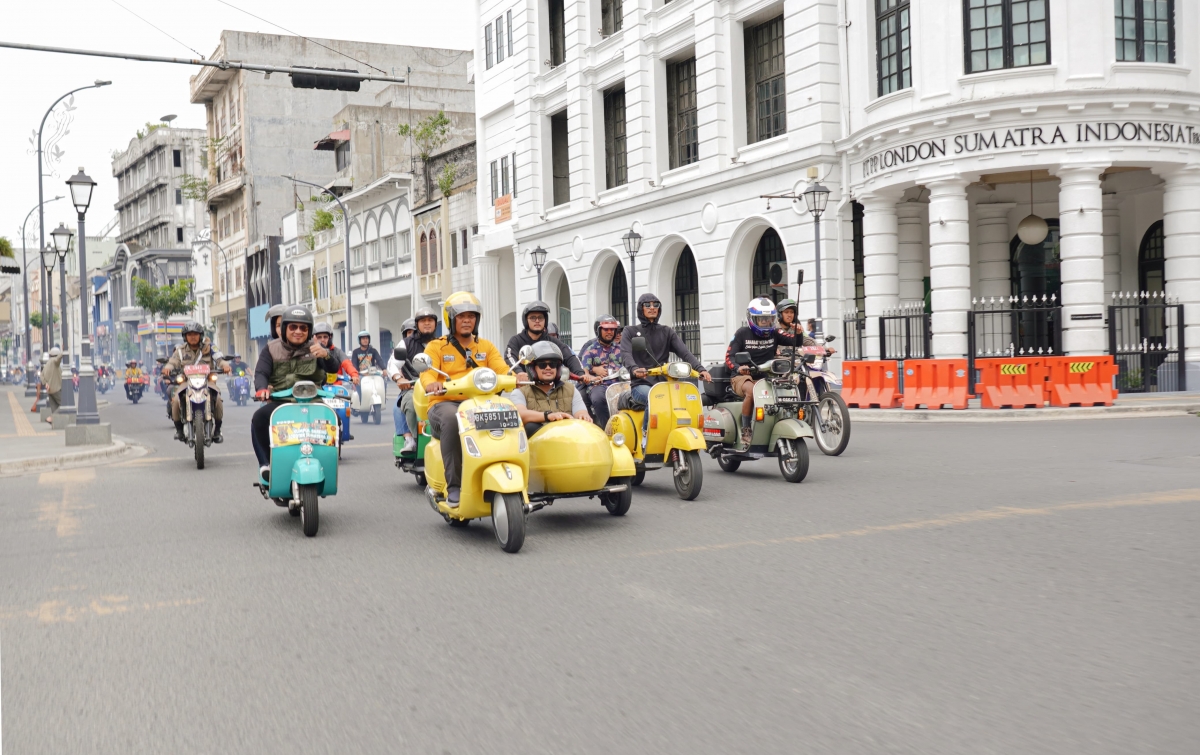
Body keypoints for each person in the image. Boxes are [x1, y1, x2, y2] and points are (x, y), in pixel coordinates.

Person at [420, 292, 509, 506]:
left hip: (480, 403)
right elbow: (427, 371)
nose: (467, 320)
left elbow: (502, 368)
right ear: (451, 319)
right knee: (452, 419)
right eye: (461, 316)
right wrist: (432, 383)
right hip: (445, 404)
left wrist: (516, 376)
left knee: (510, 412)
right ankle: (454, 487)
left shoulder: (486, 347)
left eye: (471, 316)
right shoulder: (436, 347)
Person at [251, 307, 341, 481]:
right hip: (281, 401)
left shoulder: (317, 348)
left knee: (335, 420)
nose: (298, 331)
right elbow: (261, 372)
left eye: (303, 328)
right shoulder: (270, 349)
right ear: (284, 329)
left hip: (312, 401)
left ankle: (327, 461)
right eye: (293, 327)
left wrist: (326, 355)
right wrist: (262, 389)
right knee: (259, 419)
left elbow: (334, 368)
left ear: (308, 331)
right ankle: (266, 464)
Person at [620, 294, 711, 440]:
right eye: (647, 305)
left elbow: (685, 353)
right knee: (655, 398)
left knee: (687, 399)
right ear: (640, 308)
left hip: (666, 383)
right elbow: (625, 354)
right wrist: (634, 369)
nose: (652, 308)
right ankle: (646, 436)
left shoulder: (666, 331)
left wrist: (701, 369)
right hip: (641, 384)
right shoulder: (630, 331)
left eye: (655, 305)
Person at [724, 298, 802, 448]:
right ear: (752, 318)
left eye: (769, 319)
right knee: (753, 392)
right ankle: (746, 429)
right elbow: (729, 357)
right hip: (742, 377)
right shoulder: (742, 333)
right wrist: (737, 368)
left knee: (787, 390)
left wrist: (798, 333)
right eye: (762, 319)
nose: (766, 322)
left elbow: (794, 342)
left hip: (766, 376)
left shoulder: (774, 332)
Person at [162, 321, 232, 442]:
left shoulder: (209, 347)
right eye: (189, 334)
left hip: (207, 381)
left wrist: (225, 365)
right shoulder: (180, 350)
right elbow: (172, 362)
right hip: (186, 381)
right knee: (176, 401)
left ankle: (217, 430)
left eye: (195, 334)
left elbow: (220, 358)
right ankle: (178, 429)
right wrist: (168, 368)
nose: (193, 337)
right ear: (185, 336)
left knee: (218, 400)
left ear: (201, 335)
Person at [504, 301, 597, 385]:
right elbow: (510, 357)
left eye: (540, 317)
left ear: (545, 320)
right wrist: (519, 372)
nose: (537, 321)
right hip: (525, 386)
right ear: (526, 320)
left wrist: (580, 374)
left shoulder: (552, 341)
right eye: (533, 318)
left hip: (551, 387)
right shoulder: (516, 340)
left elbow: (569, 356)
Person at [509, 341, 590, 436]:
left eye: (552, 364)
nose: (548, 368)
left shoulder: (570, 389)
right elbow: (520, 414)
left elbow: (580, 411)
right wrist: (547, 416)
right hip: (537, 446)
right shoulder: (520, 392)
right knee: (531, 427)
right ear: (532, 368)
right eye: (542, 365)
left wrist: (583, 417)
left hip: (568, 441)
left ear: (558, 368)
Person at [388, 307, 438, 454]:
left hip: (439, 388)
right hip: (412, 387)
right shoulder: (406, 343)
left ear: (436, 324)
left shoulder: (442, 343)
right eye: (423, 321)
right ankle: (413, 441)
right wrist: (399, 378)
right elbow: (392, 364)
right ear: (417, 324)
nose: (427, 323)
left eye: (430, 320)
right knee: (409, 403)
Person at [577, 314, 623, 429]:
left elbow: (631, 365)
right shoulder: (590, 350)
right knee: (598, 399)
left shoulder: (621, 349)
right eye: (606, 329)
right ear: (598, 331)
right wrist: (590, 376)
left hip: (620, 384)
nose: (609, 332)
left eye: (612, 329)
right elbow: (584, 370)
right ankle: (607, 428)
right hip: (599, 385)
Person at [40, 348, 63, 421]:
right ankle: (51, 418)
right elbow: (58, 359)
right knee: (64, 405)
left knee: (54, 408)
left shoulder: (47, 363)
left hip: (49, 390)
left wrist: (45, 383)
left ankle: (54, 422)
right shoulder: (54, 361)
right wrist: (63, 352)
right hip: (56, 389)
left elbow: (41, 375)